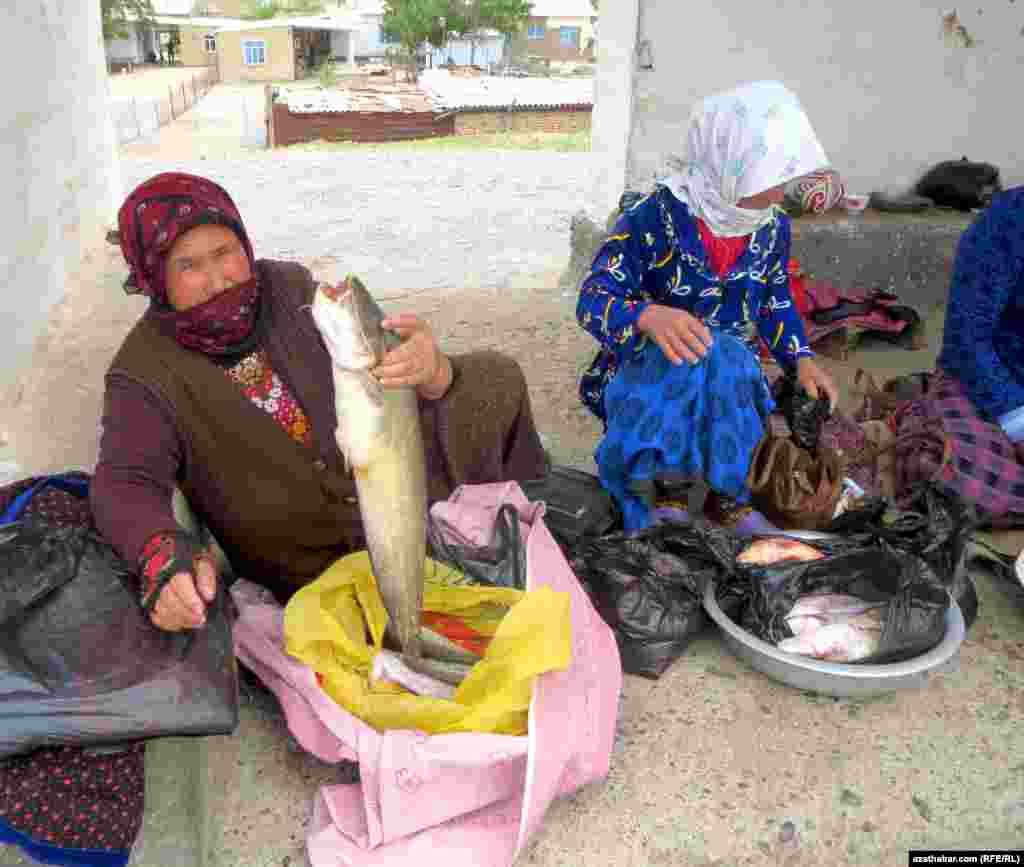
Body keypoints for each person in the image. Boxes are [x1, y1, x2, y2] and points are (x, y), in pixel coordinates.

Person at [92, 172, 549, 632]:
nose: (218, 280)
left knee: (495, 377)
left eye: (224, 252)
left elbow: (372, 360)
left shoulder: (285, 286)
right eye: (188, 266)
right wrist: (161, 554)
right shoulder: (142, 372)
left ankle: (532, 526)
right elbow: (125, 483)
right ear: (155, 278)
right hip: (303, 559)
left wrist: (430, 370)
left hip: (385, 485)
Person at [576, 80, 839, 532]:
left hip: (726, 372)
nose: (778, 194)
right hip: (653, 367)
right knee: (686, 362)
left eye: (781, 178)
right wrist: (646, 315)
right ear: (727, 163)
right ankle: (666, 489)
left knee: (731, 363)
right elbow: (593, 297)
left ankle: (728, 496)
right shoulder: (653, 217)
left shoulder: (770, 226)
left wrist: (801, 359)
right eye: (767, 178)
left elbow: (774, 300)